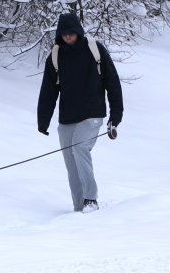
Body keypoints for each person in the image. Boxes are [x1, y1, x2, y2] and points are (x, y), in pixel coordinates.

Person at [37, 11, 124, 213]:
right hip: (67, 117)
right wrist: (43, 120)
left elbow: (113, 82)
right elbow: (48, 90)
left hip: (92, 113)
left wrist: (116, 115)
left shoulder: (94, 50)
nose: (68, 37)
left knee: (79, 149)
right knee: (70, 159)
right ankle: (78, 208)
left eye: (71, 33)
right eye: (64, 34)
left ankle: (90, 199)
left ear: (78, 31)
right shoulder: (56, 56)